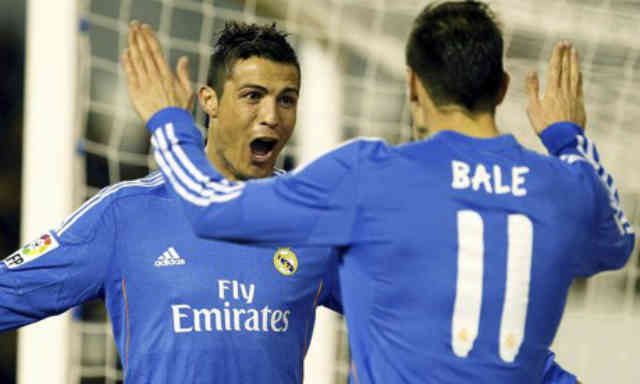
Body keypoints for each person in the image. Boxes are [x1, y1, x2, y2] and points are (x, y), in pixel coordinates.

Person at [133, 1, 634, 383]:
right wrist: (569, 138)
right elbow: (619, 243)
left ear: (413, 85)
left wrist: (169, 121)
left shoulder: (372, 176)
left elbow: (208, 207)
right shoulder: (565, 187)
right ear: (503, 88)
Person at [0, 21, 343, 383]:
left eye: (286, 99)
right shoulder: (127, 213)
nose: (271, 116)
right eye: (252, 96)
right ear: (209, 100)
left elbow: (398, 308)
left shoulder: (312, 222)